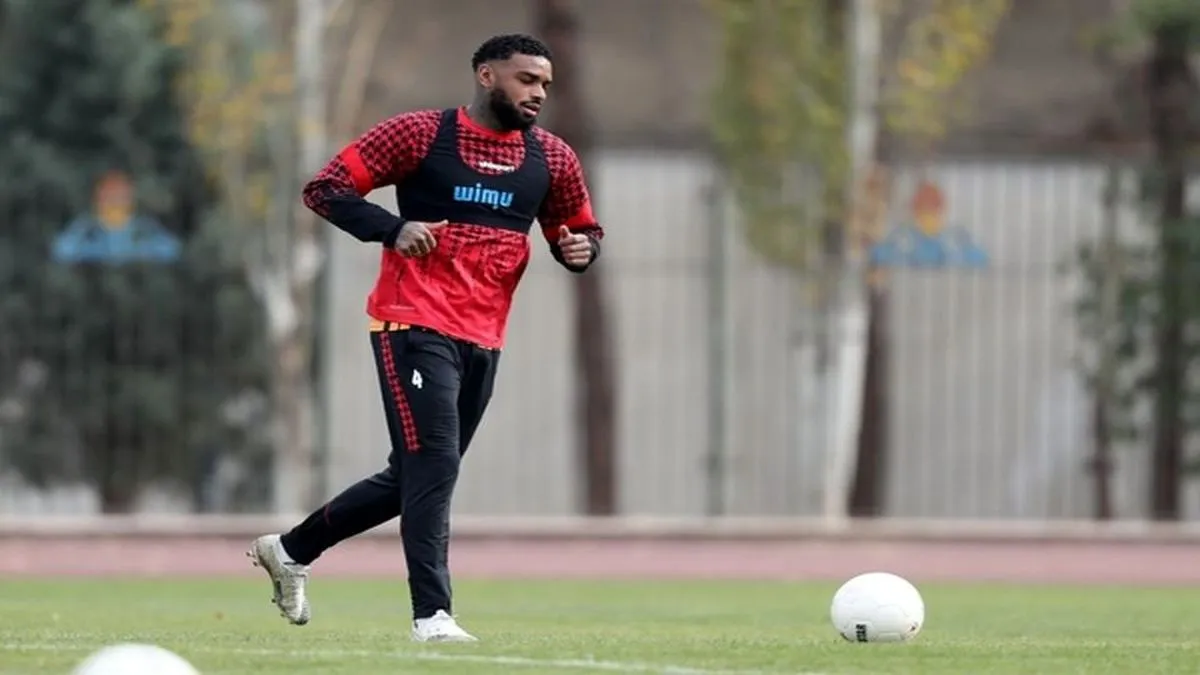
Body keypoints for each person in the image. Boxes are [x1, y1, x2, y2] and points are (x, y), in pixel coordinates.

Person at [247, 33, 603, 643]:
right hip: (411, 322)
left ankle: (290, 550)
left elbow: (580, 231)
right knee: (434, 463)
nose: (538, 93)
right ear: (486, 75)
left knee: (418, 473)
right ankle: (432, 615)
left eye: (545, 83)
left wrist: (581, 250)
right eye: (526, 79)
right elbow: (325, 188)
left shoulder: (552, 157)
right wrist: (393, 228)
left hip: (484, 336)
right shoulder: (417, 135)